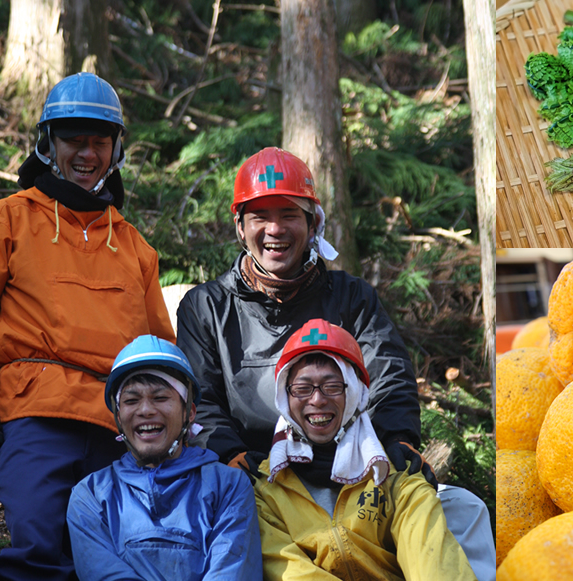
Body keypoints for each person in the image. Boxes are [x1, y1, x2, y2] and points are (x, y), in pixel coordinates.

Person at [176, 147, 496, 580]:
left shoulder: (351, 294)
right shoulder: (206, 307)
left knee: (464, 509)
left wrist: (398, 437)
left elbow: (388, 368)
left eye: (289, 214)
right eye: (260, 216)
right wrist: (229, 454)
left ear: (313, 223)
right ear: (240, 225)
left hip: (357, 463)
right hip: (263, 479)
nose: (275, 229)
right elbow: (201, 397)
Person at [0, 73, 175, 581]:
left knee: (121, 559)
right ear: (48, 143)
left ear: (117, 150)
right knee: (34, 551)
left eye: (100, 141)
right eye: (75, 139)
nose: (87, 153)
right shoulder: (8, 221)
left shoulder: (135, 247)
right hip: (35, 413)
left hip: (119, 428)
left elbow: (159, 351)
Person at [254, 319, 477, 580]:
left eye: (333, 386)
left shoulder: (395, 474)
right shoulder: (266, 490)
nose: (317, 399)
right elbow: (292, 572)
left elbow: (432, 558)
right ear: (285, 396)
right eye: (302, 388)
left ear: (355, 394)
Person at [67, 335, 262, 581]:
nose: (146, 410)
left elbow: (231, 571)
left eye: (160, 398)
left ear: (189, 413)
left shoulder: (229, 486)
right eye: (131, 400)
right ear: (118, 415)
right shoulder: (90, 495)